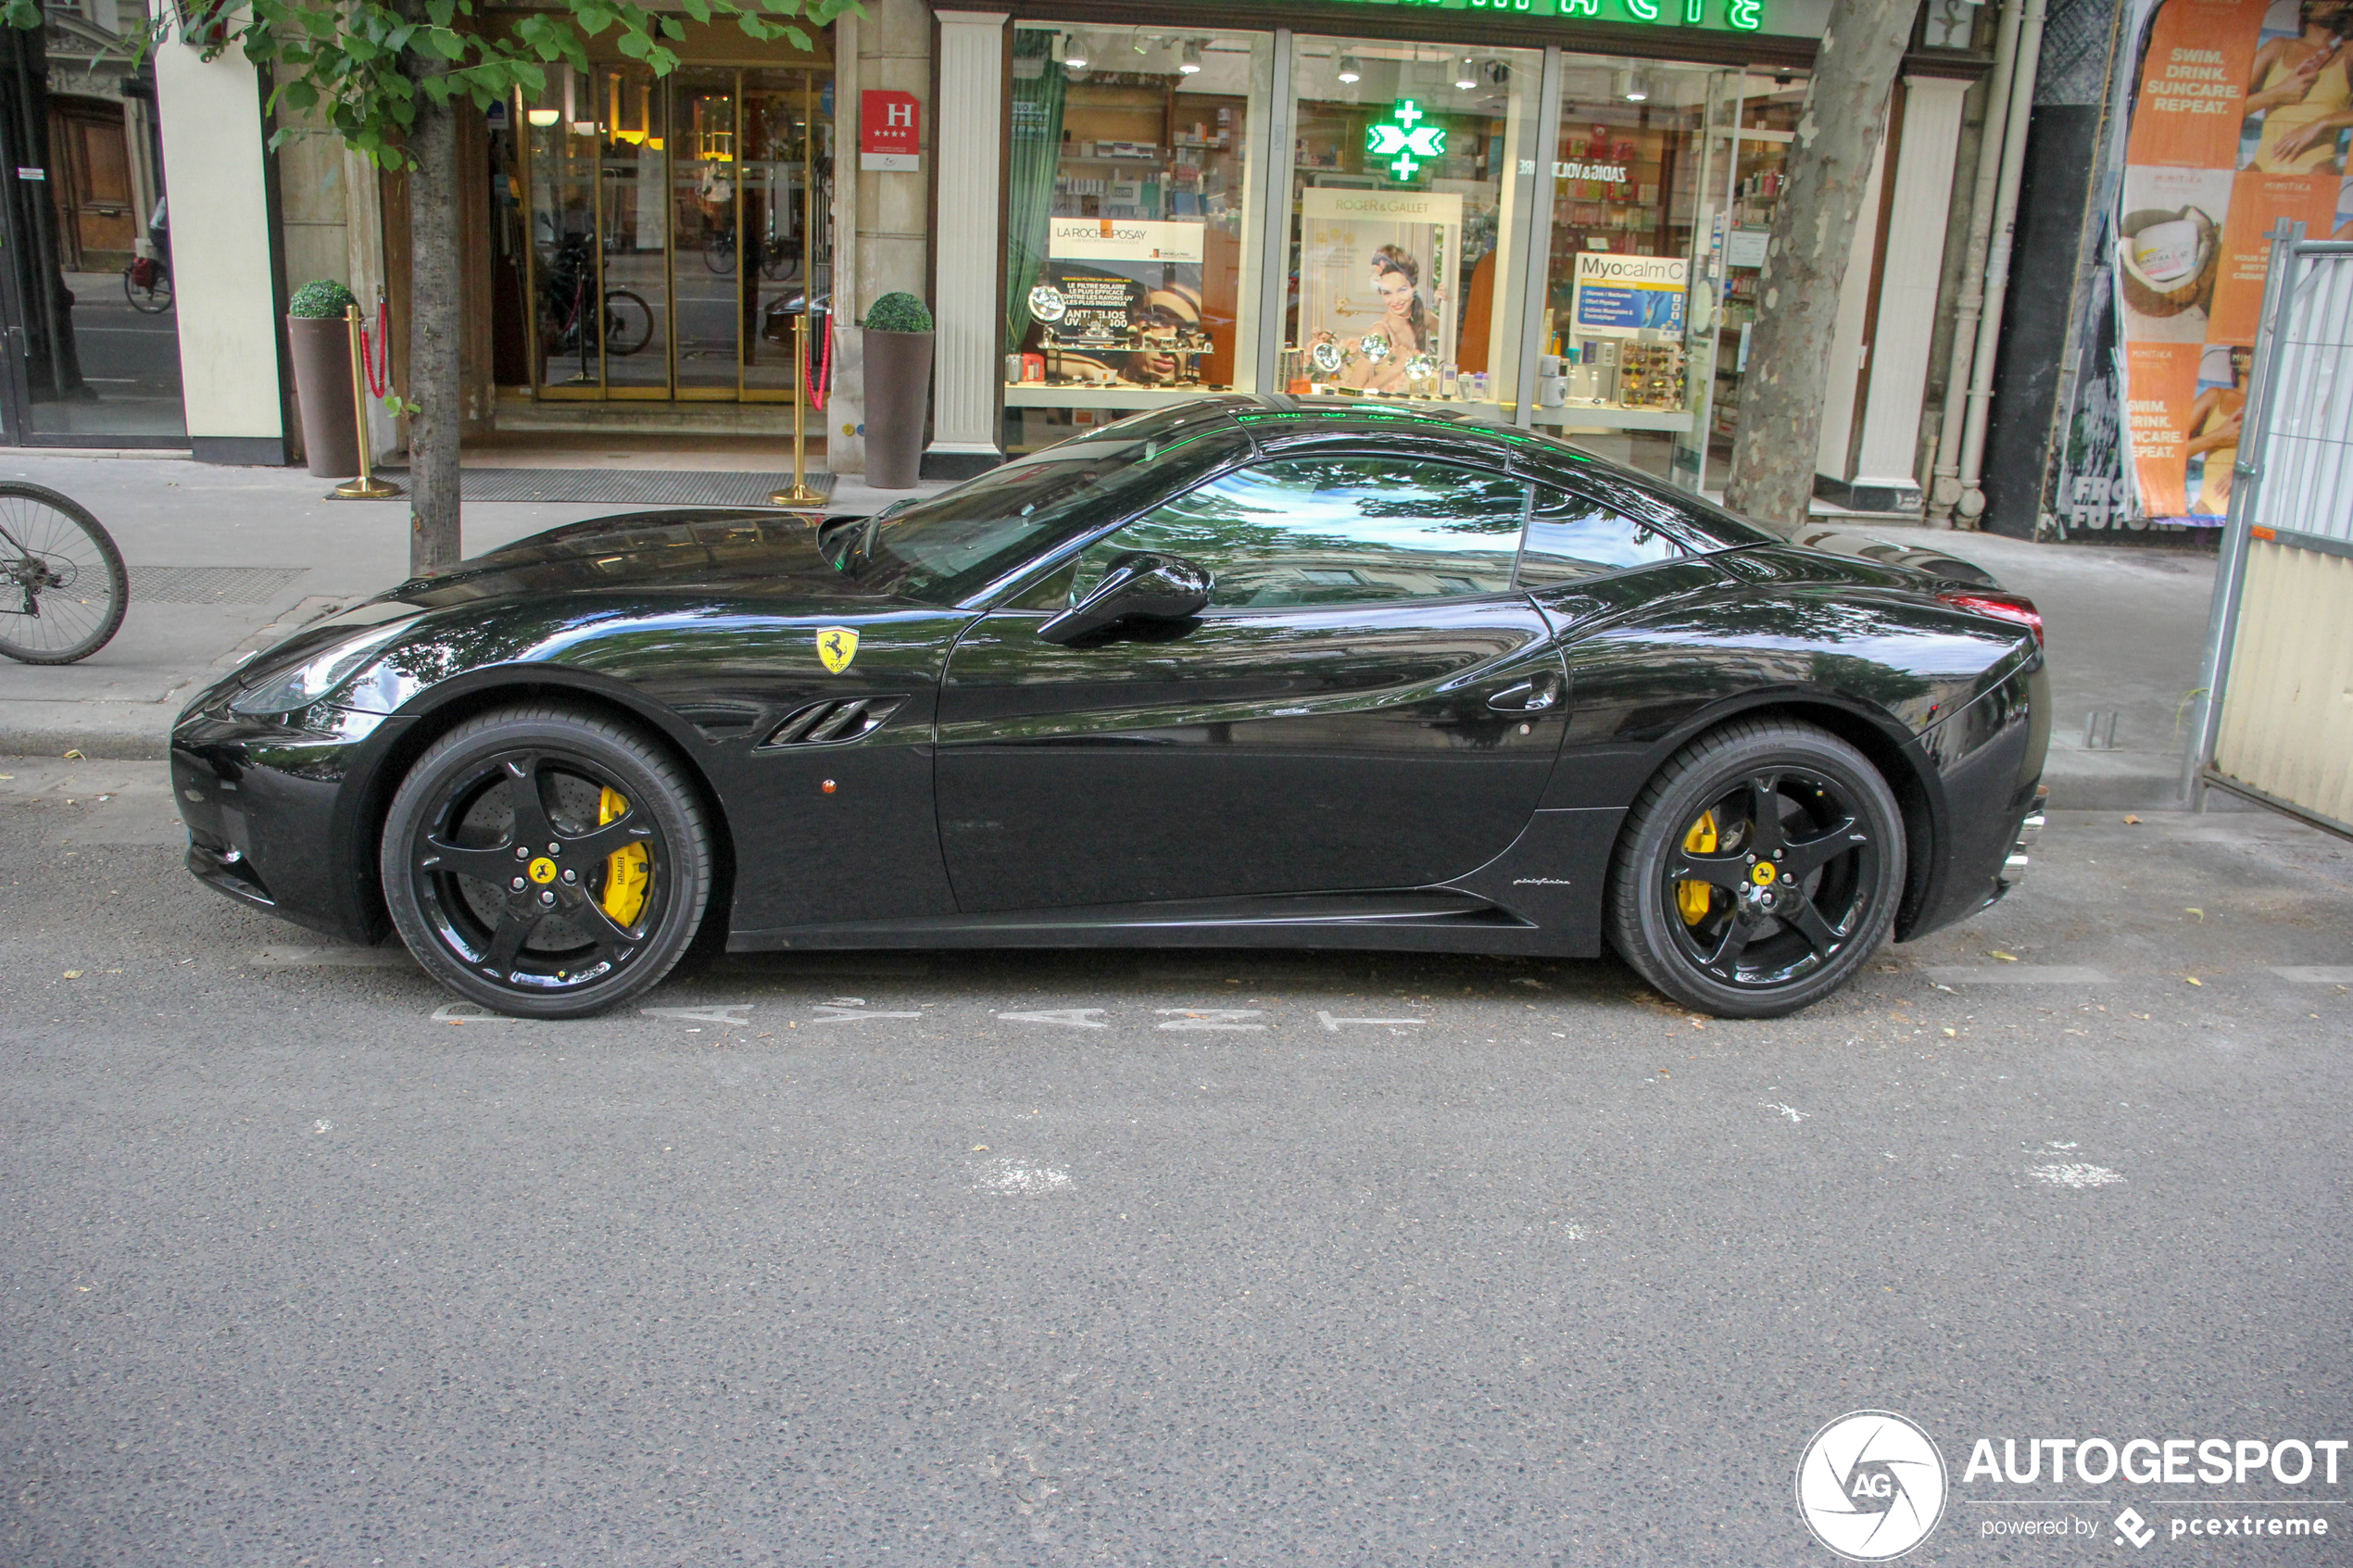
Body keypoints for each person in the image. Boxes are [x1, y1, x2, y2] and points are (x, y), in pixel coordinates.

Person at [1310, 245, 1438, 394]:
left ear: (1413, 288)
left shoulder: (1424, 317)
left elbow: (1457, 336)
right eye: (1387, 293)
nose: (1395, 300)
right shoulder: (1379, 332)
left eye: (1402, 290)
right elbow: (1356, 390)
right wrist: (1399, 366)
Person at [2246, 0, 2353, 172]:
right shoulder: (2278, 47)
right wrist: (2277, 94)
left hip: (2318, 164)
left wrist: (2322, 122)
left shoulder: (2348, 53)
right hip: (2263, 163)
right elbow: (2226, 109)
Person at [2184, 345, 2251, 515]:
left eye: (2255, 349)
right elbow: (2170, 451)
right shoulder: (2216, 396)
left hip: (2251, 507)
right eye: (2244, 349)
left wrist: (2243, 470)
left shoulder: (2277, 403)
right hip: (2212, 508)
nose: (2250, 354)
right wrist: (2216, 437)